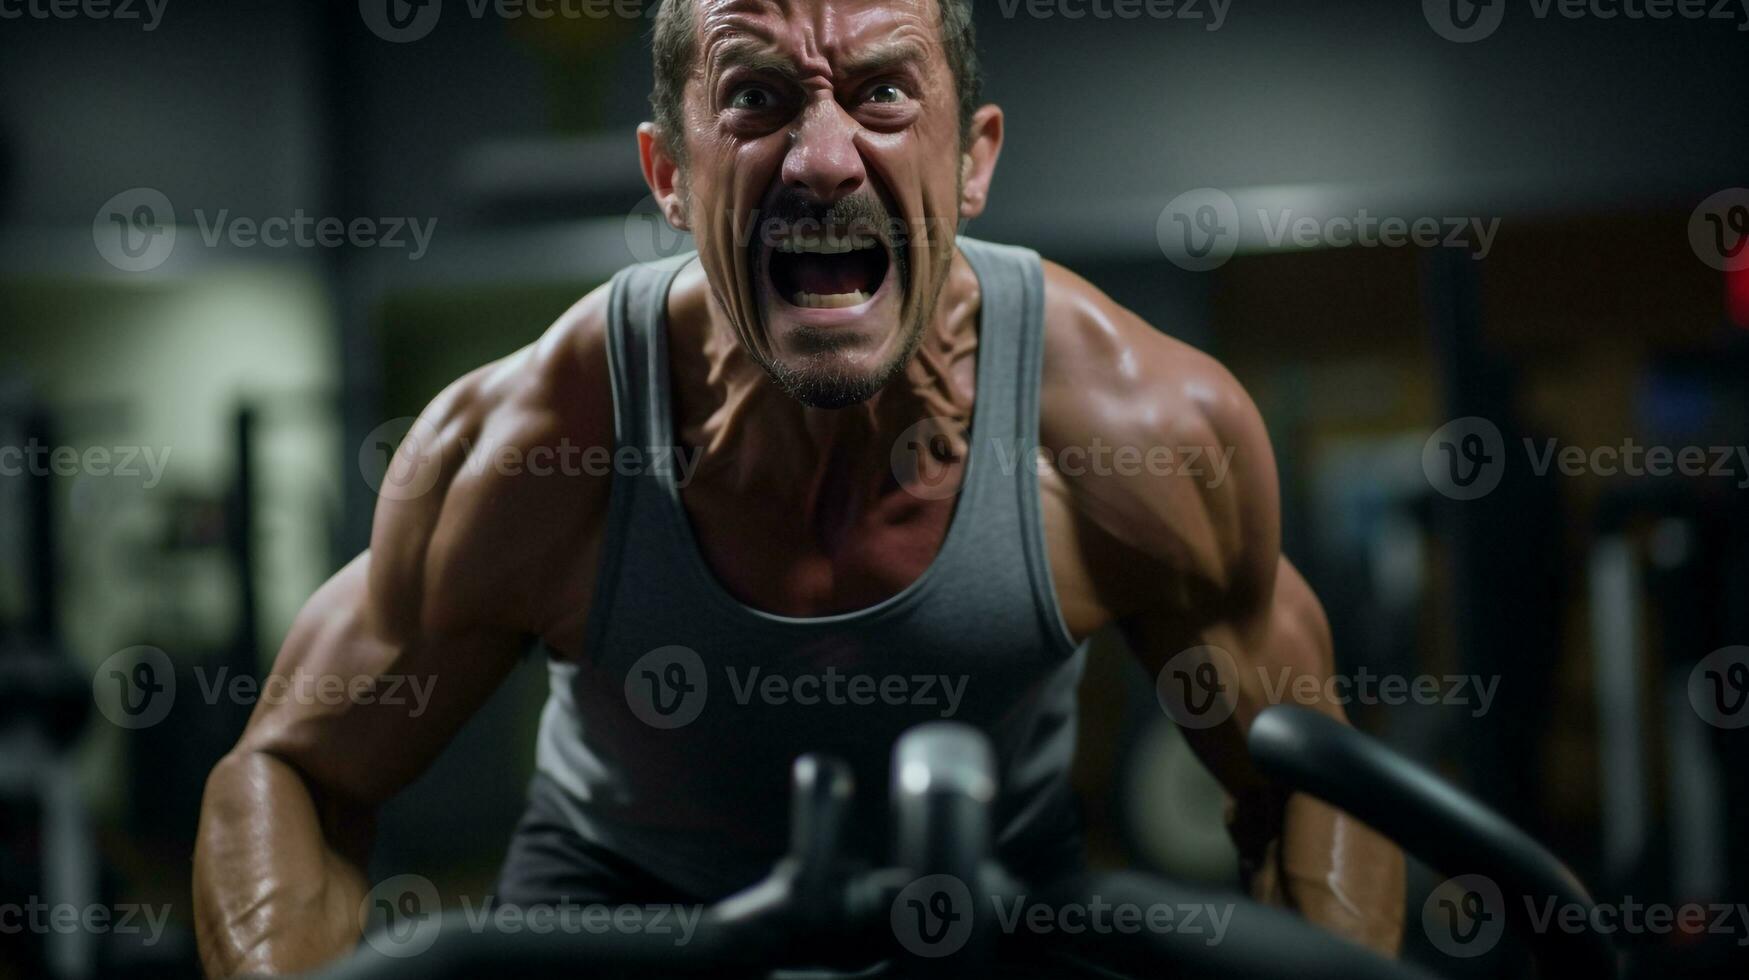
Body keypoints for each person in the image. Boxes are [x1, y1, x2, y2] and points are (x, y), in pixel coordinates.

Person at [193, 0, 1405, 974]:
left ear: (973, 157)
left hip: (988, 911)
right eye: (757, 98)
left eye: (881, 90)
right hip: (624, 920)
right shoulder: (529, 446)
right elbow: (293, 771)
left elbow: (1304, 782)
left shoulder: (1140, 430)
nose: (822, 160)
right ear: (669, 175)